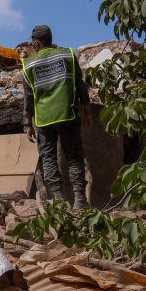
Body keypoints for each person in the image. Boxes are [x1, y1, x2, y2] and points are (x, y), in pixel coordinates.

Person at [22, 24, 90, 208]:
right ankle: (80, 200)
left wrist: (28, 124)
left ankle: (59, 199)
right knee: (74, 156)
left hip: (44, 118)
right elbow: (80, 84)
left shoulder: (29, 64)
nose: (31, 44)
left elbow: (28, 98)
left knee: (48, 157)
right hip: (67, 113)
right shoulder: (67, 55)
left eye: (32, 41)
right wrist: (87, 110)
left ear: (36, 42)